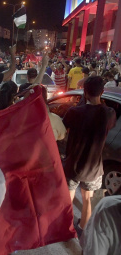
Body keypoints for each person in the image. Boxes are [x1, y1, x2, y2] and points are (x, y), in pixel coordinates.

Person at [63, 76, 116, 237]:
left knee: (68, 198)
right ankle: (83, 228)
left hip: (73, 164)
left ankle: (66, 228)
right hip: (93, 167)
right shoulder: (109, 113)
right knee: (88, 200)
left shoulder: (74, 111)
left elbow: (63, 129)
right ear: (103, 91)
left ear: (85, 92)